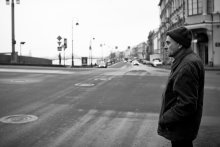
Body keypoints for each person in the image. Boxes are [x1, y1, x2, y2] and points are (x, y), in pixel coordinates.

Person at [157, 26, 205, 147]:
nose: (165, 46)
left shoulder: (187, 65)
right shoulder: (186, 60)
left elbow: (187, 104)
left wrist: (165, 118)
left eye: (168, 43)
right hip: (182, 127)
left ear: (179, 44)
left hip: (181, 128)